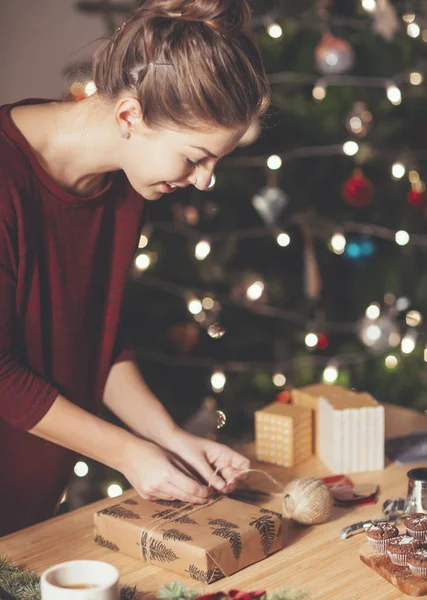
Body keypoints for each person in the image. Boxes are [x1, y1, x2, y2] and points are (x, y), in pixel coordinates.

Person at [0, 0, 270, 537]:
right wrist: (129, 453)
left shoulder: (125, 182)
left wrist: (171, 438)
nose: (204, 180)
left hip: (24, 521)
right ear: (130, 116)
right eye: (196, 157)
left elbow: (95, 339)